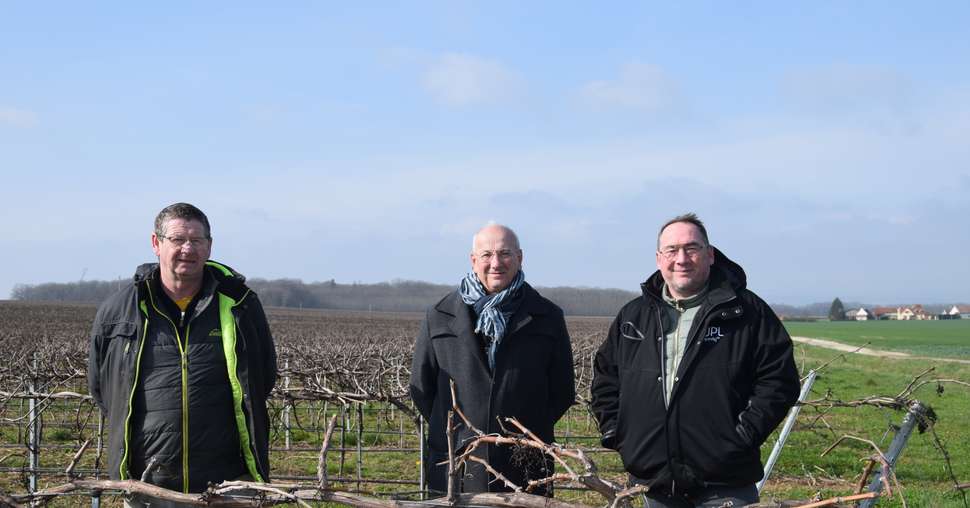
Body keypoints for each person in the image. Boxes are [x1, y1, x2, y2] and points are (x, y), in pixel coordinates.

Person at [590, 213, 799, 507]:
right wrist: (617, 432)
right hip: (654, 478)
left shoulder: (746, 312)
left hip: (726, 479)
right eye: (672, 250)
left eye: (692, 248)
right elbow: (605, 378)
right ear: (658, 258)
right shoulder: (633, 316)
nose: (682, 259)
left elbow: (779, 380)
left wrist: (742, 436)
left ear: (710, 255)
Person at [88, 203, 277, 506]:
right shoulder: (120, 311)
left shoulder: (241, 305)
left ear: (209, 246)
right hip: (149, 484)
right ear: (156, 244)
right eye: (177, 239)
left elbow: (264, 375)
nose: (188, 248)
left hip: (229, 483)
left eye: (197, 240)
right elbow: (103, 388)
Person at [409, 223, 576, 496]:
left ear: (520, 258)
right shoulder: (439, 316)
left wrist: (522, 430)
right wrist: (459, 428)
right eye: (486, 255)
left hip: (525, 467)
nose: (495, 263)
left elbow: (562, 392)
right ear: (473, 260)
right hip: (456, 463)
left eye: (505, 254)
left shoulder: (548, 316)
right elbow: (422, 389)